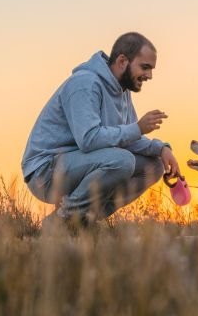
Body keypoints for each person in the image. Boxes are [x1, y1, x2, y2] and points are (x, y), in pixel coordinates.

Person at [21, 32, 180, 225]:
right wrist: (138, 128)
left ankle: (85, 219)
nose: (149, 75)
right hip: (45, 172)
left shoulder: (123, 91)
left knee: (154, 165)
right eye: (145, 67)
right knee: (122, 161)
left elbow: (128, 138)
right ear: (122, 61)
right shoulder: (85, 84)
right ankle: (63, 220)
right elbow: (88, 139)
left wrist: (161, 149)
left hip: (81, 164)